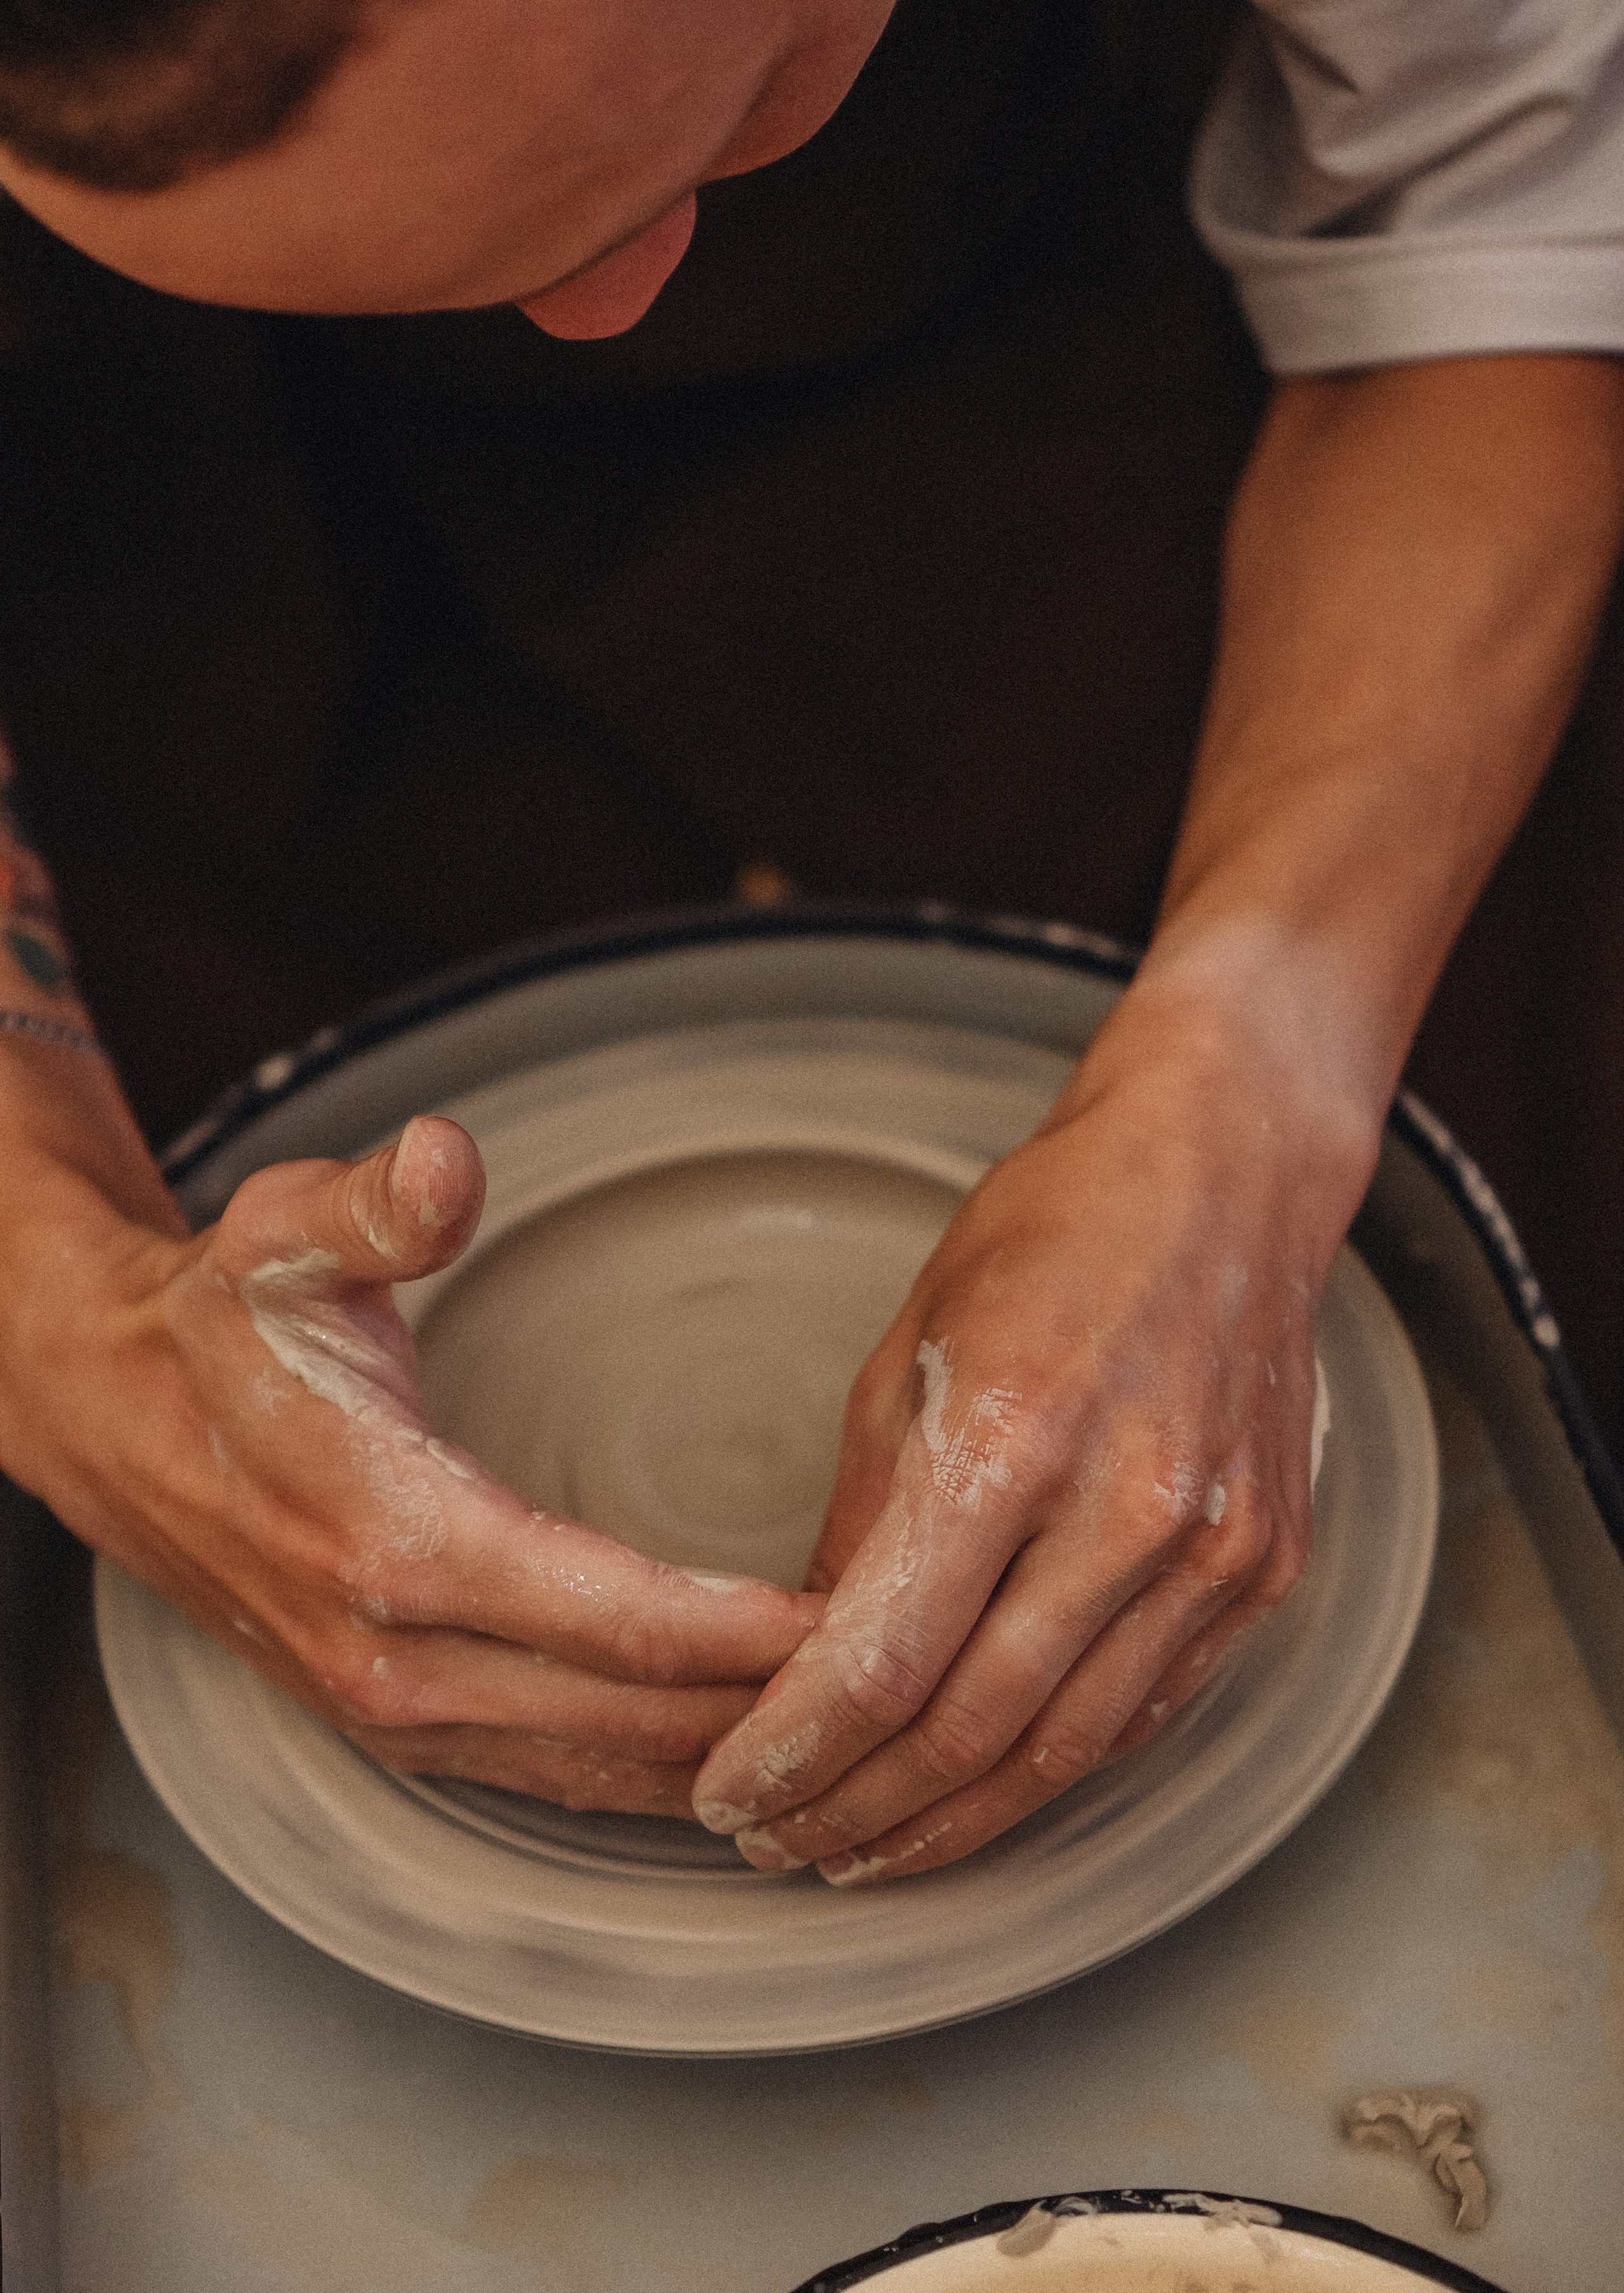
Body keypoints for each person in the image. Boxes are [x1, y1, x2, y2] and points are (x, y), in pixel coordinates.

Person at [0, 0, 1621, 1886]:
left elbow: (1488, 222)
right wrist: (51, 1305)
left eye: (726, 114)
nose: (603, 310)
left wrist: (1249, 1093)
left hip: (1027, 263)